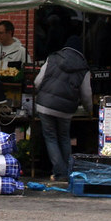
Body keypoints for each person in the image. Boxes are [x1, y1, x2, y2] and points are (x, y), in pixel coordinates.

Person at [34, 35, 91, 183]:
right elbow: (86, 94)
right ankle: (67, 171)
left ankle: (59, 173)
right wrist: (89, 109)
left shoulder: (52, 58)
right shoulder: (84, 67)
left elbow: (38, 81)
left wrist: (43, 93)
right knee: (65, 137)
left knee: (51, 137)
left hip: (45, 105)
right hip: (66, 109)